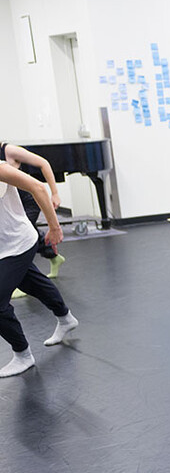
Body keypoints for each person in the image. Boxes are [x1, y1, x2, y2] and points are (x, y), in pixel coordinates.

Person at [0, 160, 78, 377]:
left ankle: (22, 355)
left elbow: (38, 187)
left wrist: (54, 227)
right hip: (3, 246)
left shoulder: (1, 168)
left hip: (18, 243)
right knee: (32, 282)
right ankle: (66, 318)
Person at [0, 142, 66, 284]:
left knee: (19, 241)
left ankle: (15, 282)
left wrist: (54, 193)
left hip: (29, 202)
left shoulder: (8, 150)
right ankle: (53, 256)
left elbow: (43, 163)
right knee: (24, 234)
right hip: (12, 205)